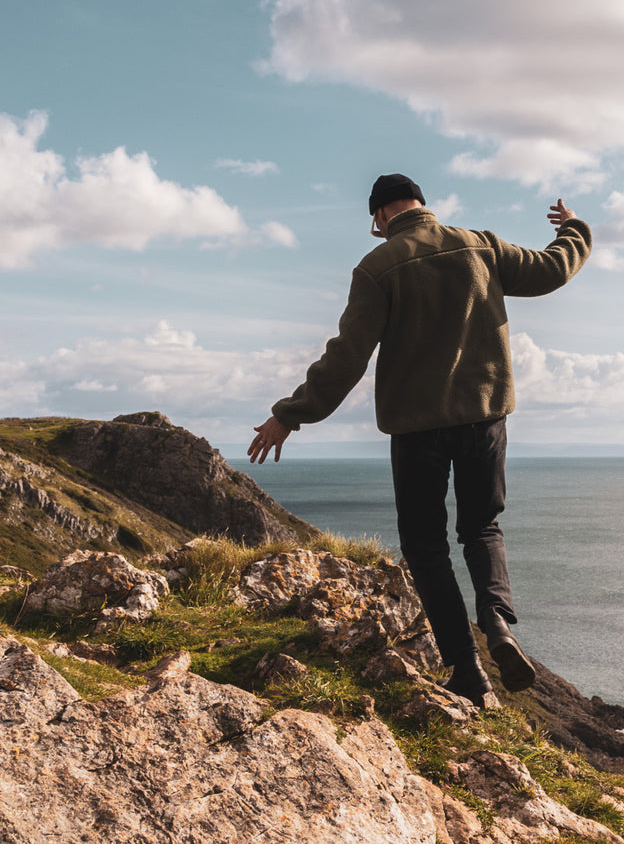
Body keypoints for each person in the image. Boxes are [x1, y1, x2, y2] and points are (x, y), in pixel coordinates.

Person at [248, 173, 591, 707]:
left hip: (417, 431)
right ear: (423, 206)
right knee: (481, 527)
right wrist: (574, 230)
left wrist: (290, 415)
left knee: (426, 546)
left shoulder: (378, 267)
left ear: (380, 217)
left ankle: (467, 669)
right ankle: (497, 621)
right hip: (485, 419)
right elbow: (552, 270)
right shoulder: (480, 244)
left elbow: (347, 357)